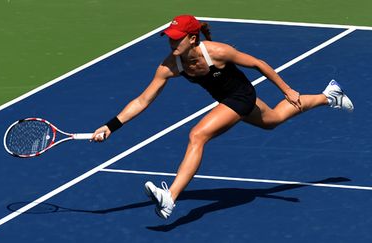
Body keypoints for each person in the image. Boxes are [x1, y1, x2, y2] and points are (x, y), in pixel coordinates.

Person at [91, 15, 354, 219]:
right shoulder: (170, 66)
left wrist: (286, 89)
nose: (172, 43)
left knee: (197, 135)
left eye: (177, 38)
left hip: (241, 97)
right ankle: (330, 95)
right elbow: (142, 100)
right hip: (229, 100)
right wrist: (111, 126)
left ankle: (170, 197)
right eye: (169, 38)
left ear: (192, 39)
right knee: (273, 119)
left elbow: (258, 64)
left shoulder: (217, 51)